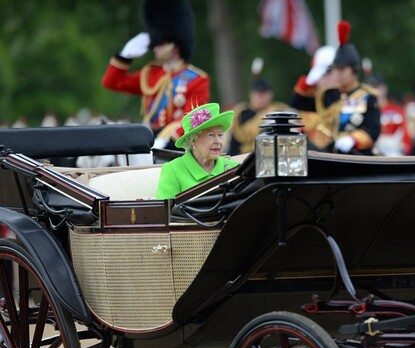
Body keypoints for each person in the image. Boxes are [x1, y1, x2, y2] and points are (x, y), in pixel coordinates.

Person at [101, 0, 210, 150]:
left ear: (174, 44)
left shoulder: (197, 80)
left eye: (160, 43)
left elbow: (194, 118)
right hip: (148, 140)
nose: (155, 47)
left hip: (177, 145)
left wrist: (167, 138)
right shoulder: (150, 74)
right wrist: (124, 56)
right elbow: (111, 82)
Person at [291, 21, 380, 155]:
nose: (337, 73)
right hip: (331, 154)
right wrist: (310, 80)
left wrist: (353, 139)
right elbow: (297, 103)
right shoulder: (330, 95)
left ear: (354, 69)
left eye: (342, 69)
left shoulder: (367, 97)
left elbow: (373, 129)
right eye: (335, 69)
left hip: (357, 156)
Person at [156, 103, 238, 199]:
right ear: (193, 140)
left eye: (220, 135)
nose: (218, 141)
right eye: (211, 135)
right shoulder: (173, 170)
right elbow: (166, 211)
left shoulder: (233, 168)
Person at [227, 58, 290, 155]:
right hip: (242, 159)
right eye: (257, 94)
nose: (260, 97)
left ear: (270, 95)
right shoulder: (240, 113)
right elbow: (234, 144)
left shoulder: (277, 112)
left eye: (264, 94)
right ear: (251, 94)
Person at [366, 73, 413, 156]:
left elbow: (406, 137)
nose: (374, 91)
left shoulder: (396, 110)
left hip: (394, 156)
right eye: (370, 88)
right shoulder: (364, 111)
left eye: (377, 87)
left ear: (384, 88)